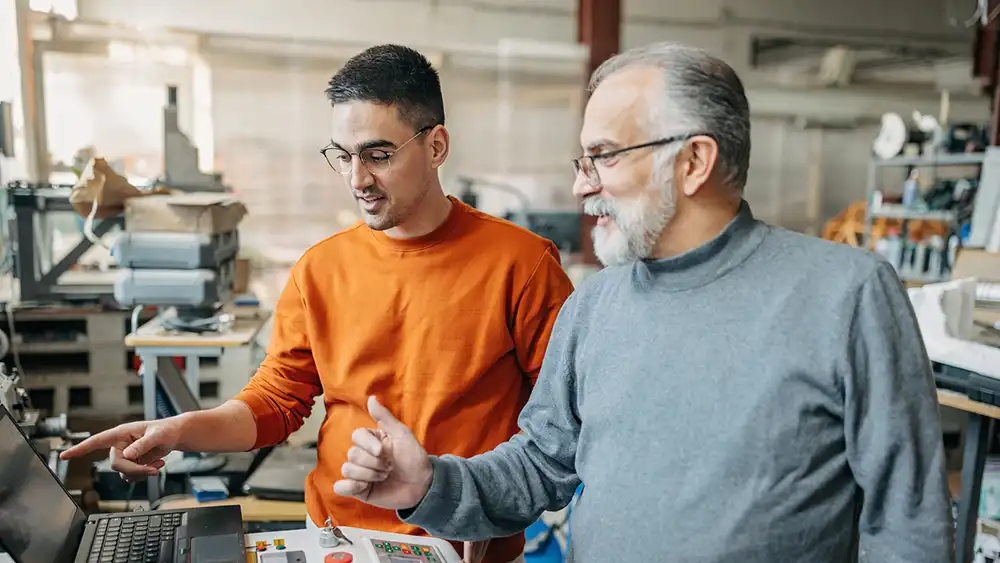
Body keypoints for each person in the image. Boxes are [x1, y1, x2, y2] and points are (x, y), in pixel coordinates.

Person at [332, 42, 954, 562]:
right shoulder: (594, 308)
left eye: (602, 156)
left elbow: (911, 527)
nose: (581, 184)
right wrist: (429, 483)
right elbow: (539, 465)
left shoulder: (847, 295)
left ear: (693, 162)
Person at [61, 44, 574, 563]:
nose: (357, 180)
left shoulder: (522, 264)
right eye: (343, 156)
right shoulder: (321, 268)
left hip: (459, 543)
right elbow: (278, 402)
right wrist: (180, 430)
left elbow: (559, 429)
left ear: (437, 145)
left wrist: (483, 506)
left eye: (378, 155)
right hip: (335, 537)